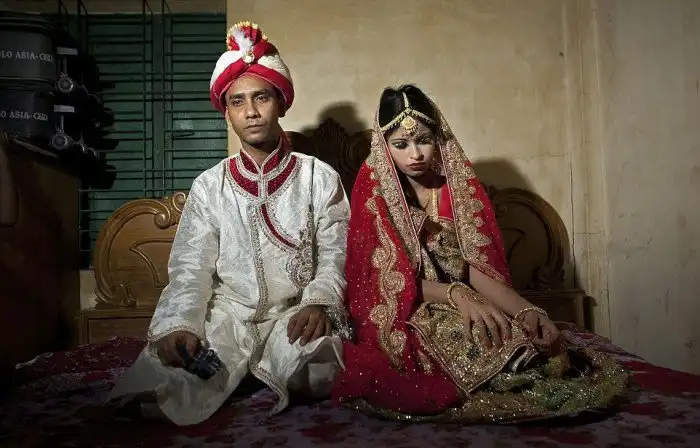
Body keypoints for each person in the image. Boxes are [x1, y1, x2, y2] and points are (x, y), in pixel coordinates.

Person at [331, 84, 627, 423]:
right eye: (401, 144)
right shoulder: (375, 197)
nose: (415, 154)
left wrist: (528, 310)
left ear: (438, 138)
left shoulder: (454, 190)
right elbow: (384, 283)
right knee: (467, 339)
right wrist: (456, 294)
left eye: (423, 140)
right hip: (405, 309)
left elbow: (475, 268)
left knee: (517, 338)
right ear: (384, 146)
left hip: (468, 298)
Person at [108, 21, 352, 426]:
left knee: (320, 368)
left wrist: (318, 302)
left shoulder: (318, 177)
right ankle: (231, 368)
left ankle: (265, 366)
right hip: (228, 316)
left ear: (281, 104)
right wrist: (179, 324)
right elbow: (191, 268)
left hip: (294, 315)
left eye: (261, 98)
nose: (250, 112)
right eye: (237, 102)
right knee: (172, 374)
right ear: (227, 112)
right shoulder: (209, 186)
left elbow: (335, 253)